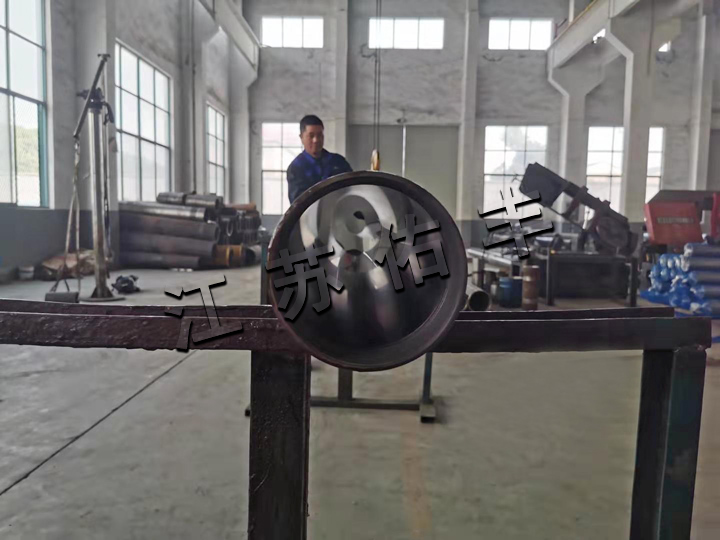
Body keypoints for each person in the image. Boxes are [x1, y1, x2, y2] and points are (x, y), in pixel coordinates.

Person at [286, 115, 352, 204]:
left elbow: (352, 189)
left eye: (320, 135)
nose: (316, 140)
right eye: (311, 136)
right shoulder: (296, 168)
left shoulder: (339, 162)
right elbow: (298, 203)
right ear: (301, 137)